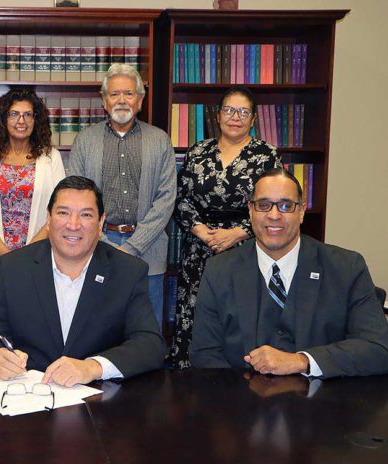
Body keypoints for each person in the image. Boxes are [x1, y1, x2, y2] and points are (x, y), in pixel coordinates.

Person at [190, 168, 388, 378]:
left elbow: (378, 349)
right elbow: (204, 354)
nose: (274, 215)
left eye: (286, 206)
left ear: (302, 211)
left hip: (324, 404)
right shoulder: (219, 270)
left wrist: (302, 361)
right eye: (263, 205)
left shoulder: (346, 268)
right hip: (242, 402)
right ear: (250, 210)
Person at [0, 176, 165, 387]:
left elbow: (150, 344)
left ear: (101, 223)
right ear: (48, 219)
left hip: (99, 403)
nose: (73, 225)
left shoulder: (128, 271)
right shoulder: (14, 267)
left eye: (86, 215)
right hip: (30, 400)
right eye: (63, 213)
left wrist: (92, 367)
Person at [170, 85, 281, 369]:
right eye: (229, 110)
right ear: (218, 116)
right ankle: (188, 383)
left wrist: (237, 233)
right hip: (200, 247)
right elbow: (181, 199)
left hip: (246, 248)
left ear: (253, 119)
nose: (235, 117)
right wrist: (200, 231)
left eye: (243, 112)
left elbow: (275, 204)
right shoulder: (199, 151)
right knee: (194, 314)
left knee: (241, 314)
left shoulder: (266, 155)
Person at [67, 63, 176, 332]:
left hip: (148, 249)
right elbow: (77, 197)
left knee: (147, 329)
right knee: (98, 328)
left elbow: (166, 199)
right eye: (114, 94)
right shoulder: (85, 140)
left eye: (129, 93)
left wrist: (133, 247)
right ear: (104, 101)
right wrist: (103, 242)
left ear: (141, 99)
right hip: (96, 246)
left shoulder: (160, 140)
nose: (122, 100)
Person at [0, 88, 65, 325]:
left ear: (37, 120)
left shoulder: (50, 157)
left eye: (28, 115)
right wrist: (8, 256)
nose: (21, 121)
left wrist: (24, 257)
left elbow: (59, 211)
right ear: (3, 119)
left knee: (35, 325)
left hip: (38, 258)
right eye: (14, 114)